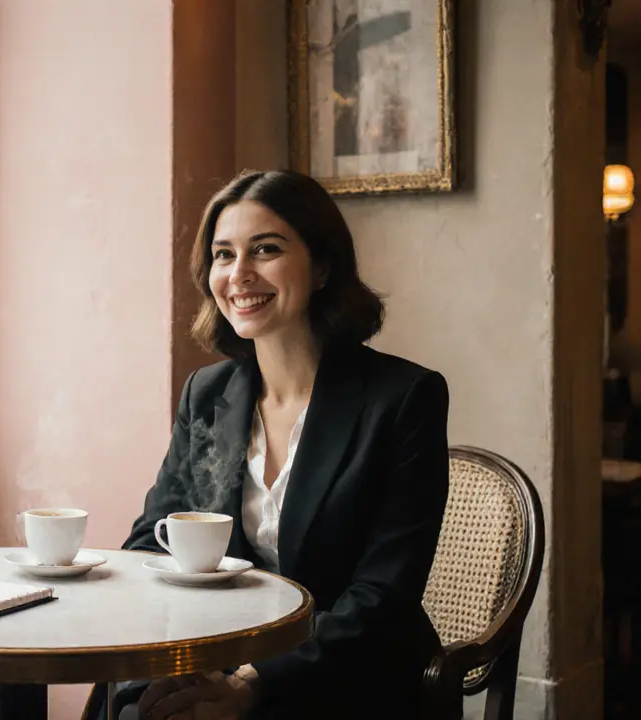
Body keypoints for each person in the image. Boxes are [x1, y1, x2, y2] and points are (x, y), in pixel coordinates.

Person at [92, 170, 449, 719]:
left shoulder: (404, 399)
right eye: (223, 254)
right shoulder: (206, 395)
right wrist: (186, 665)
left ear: (323, 265)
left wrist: (254, 684)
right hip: (217, 651)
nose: (240, 274)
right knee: (134, 704)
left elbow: (383, 596)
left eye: (266, 250)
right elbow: (151, 542)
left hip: (345, 675)